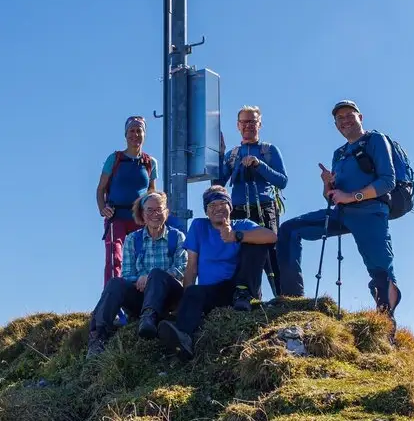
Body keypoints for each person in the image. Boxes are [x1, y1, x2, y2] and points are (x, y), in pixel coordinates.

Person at [276, 100, 402, 323]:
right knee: (288, 230)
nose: (344, 121)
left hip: (370, 213)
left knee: (380, 272)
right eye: (339, 118)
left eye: (349, 115)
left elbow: (387, 181)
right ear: (335, 125)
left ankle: (386, 324)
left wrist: (352, 197)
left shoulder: (375, 140)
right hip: (342, 213)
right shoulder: (340, 153)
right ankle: (291, 300)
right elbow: (331, 197)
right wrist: (327, 184)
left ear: (360, 117)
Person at [156, 185, 278, 362]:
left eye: (222, 203)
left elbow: (271, 237)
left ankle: (243, 294)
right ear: (206, 211)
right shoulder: (199, 226)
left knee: (255, 243)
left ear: (230, 206)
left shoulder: (241, 225)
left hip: (237, 288)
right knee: (193, 291)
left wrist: (236, 236)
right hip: (211, 292)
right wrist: (185, 302)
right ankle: (182, 337)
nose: (217, 209)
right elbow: (191, 267)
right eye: (211, 206)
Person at [86, 191, 187, 357]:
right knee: (115, 283)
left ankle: (149, 320)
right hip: (140, 296)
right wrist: (140, 279)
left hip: (168, 298)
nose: (155, 214)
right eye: (150, 210)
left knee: (156, 274)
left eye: (159, 210)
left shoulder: (177, 237)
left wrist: (150, 277)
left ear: (166, 212)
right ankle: (98, 336)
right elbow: (127, 274)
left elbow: (181, 268)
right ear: (142, 214)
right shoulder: (133, 239)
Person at [212, 105, 288, 296]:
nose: (248, 126)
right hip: (237, 210)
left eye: (252, 122)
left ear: (259, 124)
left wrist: (259, 164)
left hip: (264, 207)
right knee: (241, 255)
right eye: (244, 122)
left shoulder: (269, 151)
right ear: (238, 126)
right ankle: (250, 297)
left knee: (271, 253)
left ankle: (282, 297)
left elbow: (282, 181)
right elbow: (218, 185)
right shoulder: (233, 154)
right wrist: (219, 156)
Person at [97, 116, 160, 285]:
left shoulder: (150, 163)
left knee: (140, 258)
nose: (135, 134)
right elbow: (101, 188)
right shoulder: (115, 159)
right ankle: (111, 299)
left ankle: (137, 299)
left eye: (139, 130)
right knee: (114, 256)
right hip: (116, 216)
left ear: (144, 134)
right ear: (126, 134)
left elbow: (152, 192)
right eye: (131, 130)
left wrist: (154, 215)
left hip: (139, 217)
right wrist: (102, 208)